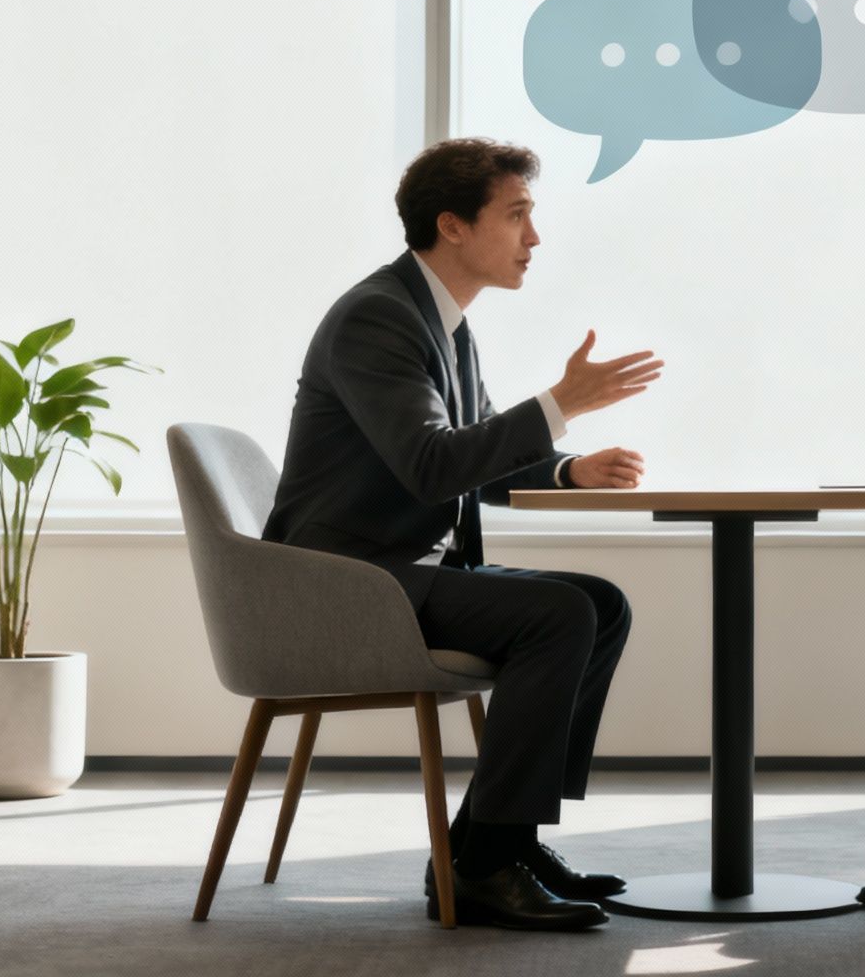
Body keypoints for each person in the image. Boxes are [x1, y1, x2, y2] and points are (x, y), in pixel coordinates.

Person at [262, 137, 663, 931]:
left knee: (599, 604)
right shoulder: (377, 317)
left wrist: (567, 470)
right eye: (516, 216)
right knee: (560, 614)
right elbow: (432, 464)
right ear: (452, 224)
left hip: (394, 572)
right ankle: (485, 866)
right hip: (342, 584)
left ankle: (497, 842)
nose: (533, 238)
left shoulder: (445, 325)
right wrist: (559, 404)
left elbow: (467, 455)